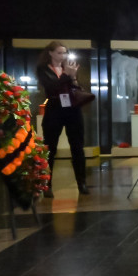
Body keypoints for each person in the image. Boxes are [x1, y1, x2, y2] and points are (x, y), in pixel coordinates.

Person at [35, 41, 90, 195]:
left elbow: (77, 88)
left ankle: (82, 183)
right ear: (50, 53)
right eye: (59, 52)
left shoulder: (69, 67)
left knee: (77, 147)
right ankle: (46, 184)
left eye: (65, 52)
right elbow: (52, 88)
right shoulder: (43, 69)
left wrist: (73, 77)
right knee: (50, 147)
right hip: (54, 109)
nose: (63, 56)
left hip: (72, 109)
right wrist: (66, 75)